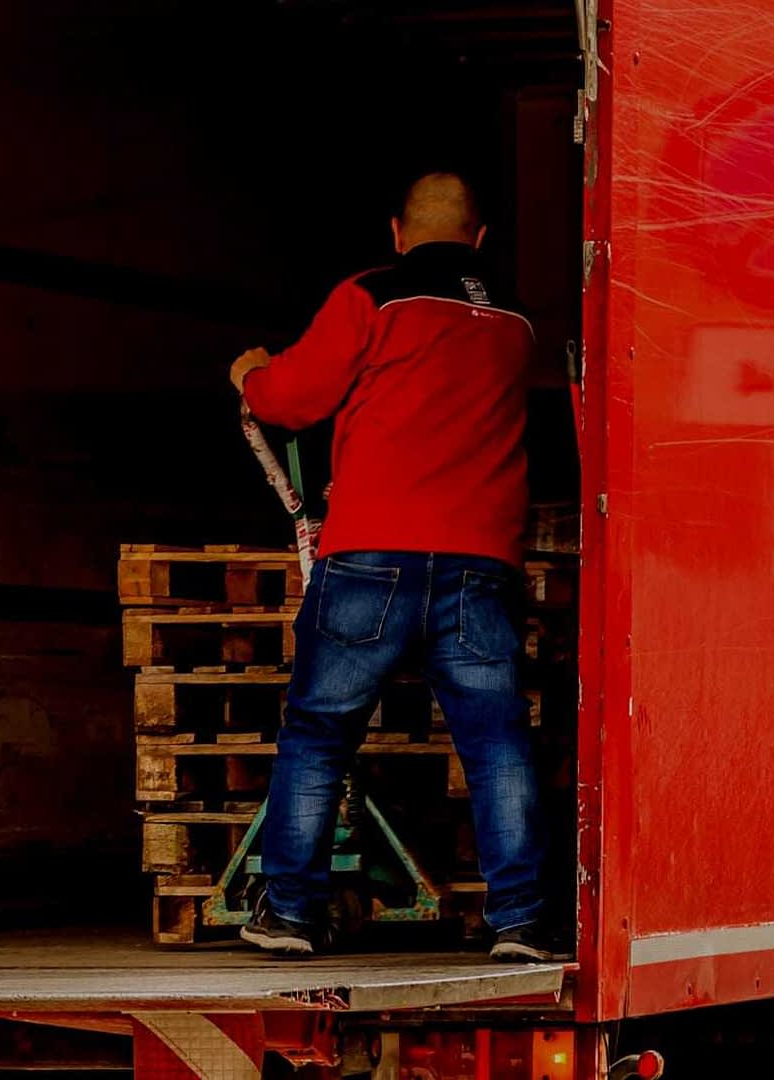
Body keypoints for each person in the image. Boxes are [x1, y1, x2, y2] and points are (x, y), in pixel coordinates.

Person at [229, 172, 550, 962]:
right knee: (495, 742)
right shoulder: (516, 324)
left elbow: (292, 400)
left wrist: (250, 376)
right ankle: (520, 922)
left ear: (398, 233)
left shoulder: (371, 296)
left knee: (317, 732)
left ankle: (290, 915)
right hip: (478, 561)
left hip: (371, 553)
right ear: (480, 238)